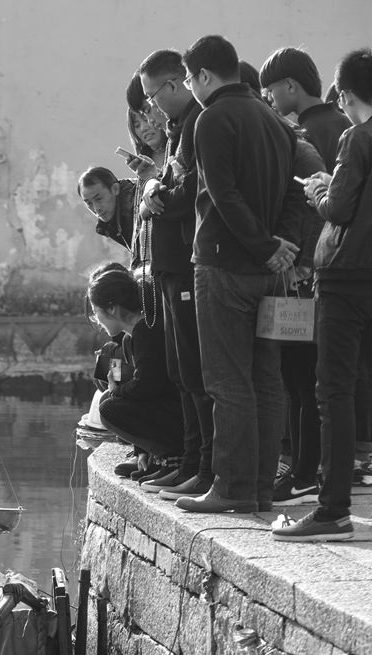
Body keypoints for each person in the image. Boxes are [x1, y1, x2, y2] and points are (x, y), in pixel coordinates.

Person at [175, 34, 302, 514]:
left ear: (204, 75)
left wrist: (265, 245)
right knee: (266, 381)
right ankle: (261, 488)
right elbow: (295, 193)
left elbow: (222, 194)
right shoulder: (274, 118)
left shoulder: (212, 118)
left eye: (190, 79)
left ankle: (232, 486)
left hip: (224, 265)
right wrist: (278, 247)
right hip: (268, 271)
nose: (191, 88)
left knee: (227, 382)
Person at [275, 49, 372, 541]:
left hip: (346, 274)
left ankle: (332, 510)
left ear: (347, 95)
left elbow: (338, 209)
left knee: (332, 389)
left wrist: (319, 191)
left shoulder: (358, 137)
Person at [136, 48, 214, 500]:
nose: (151, 107)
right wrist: (152, 184)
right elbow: (170, 179)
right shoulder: (177, 129)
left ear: (173, 84)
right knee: (179, 370)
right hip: (168, 267)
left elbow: (188, 192)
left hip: (186, 264)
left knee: (195, 372)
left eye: (152, 96)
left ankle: (205, 466)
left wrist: (155, 197)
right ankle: (189, 460)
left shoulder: (199, 123)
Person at [88, 264, 183, 473]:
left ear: (111, 308)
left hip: (173, 406)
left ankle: (170, 456)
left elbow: (147, 385)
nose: (97, 321)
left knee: (109, 403)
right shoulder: (127, 337)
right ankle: (146, 452)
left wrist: (117, 390)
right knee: (107, 394)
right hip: (151, 394)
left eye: (96, 312)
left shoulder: (146, 329)